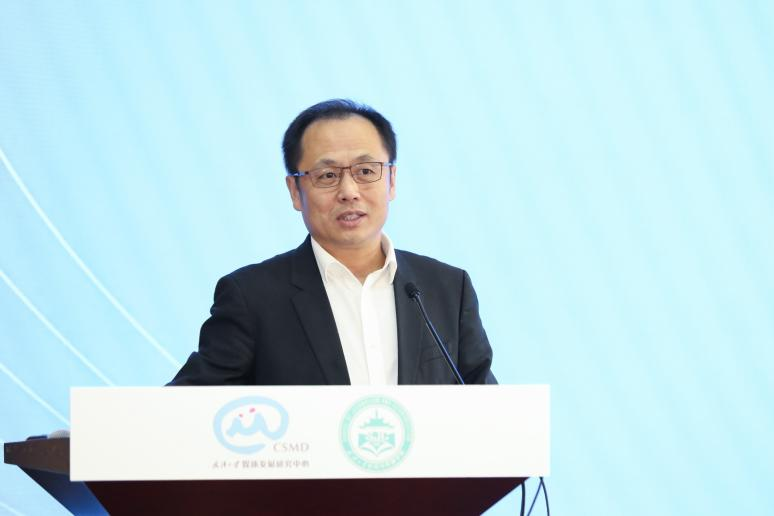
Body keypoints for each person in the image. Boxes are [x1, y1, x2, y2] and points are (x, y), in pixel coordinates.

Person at [169, 99, 496, 386]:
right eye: (327, 175)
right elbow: (185, 408)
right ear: (295, 191)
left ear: (392, 181)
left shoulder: (447, 288)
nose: (349, 191)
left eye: (366, 171)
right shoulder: (252, 298)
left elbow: (489, 408)